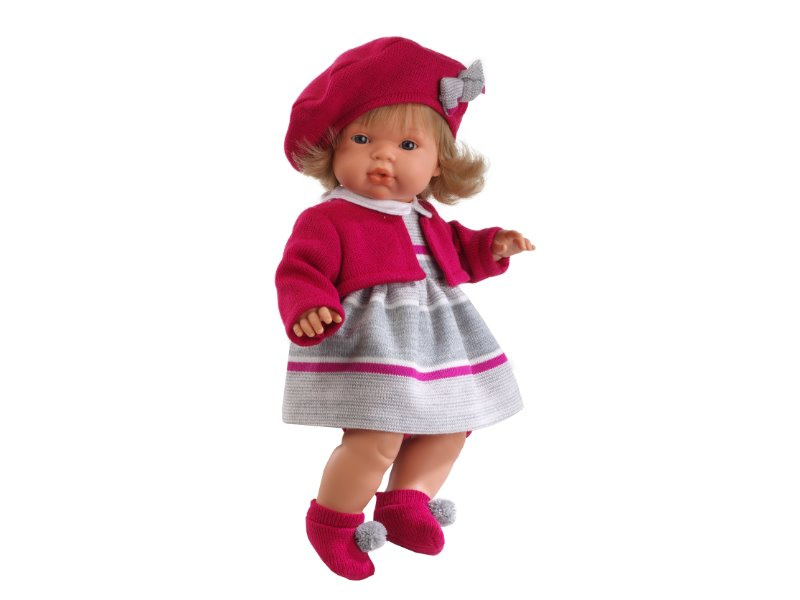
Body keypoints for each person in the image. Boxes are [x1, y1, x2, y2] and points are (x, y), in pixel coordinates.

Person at [276, 37, 535, 580]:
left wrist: (492, 246)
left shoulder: (427, 216)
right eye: (362, 139)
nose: (383, 155)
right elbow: (300, 270)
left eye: (408, 145)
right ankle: (333, 520)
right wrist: (309, 305)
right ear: (333, 148)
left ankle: (407, 502)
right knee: (377, 438)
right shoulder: (330, 218)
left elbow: (459, 250)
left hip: (435, 347)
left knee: (452, 426)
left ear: (440, 165)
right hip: (371, 344)